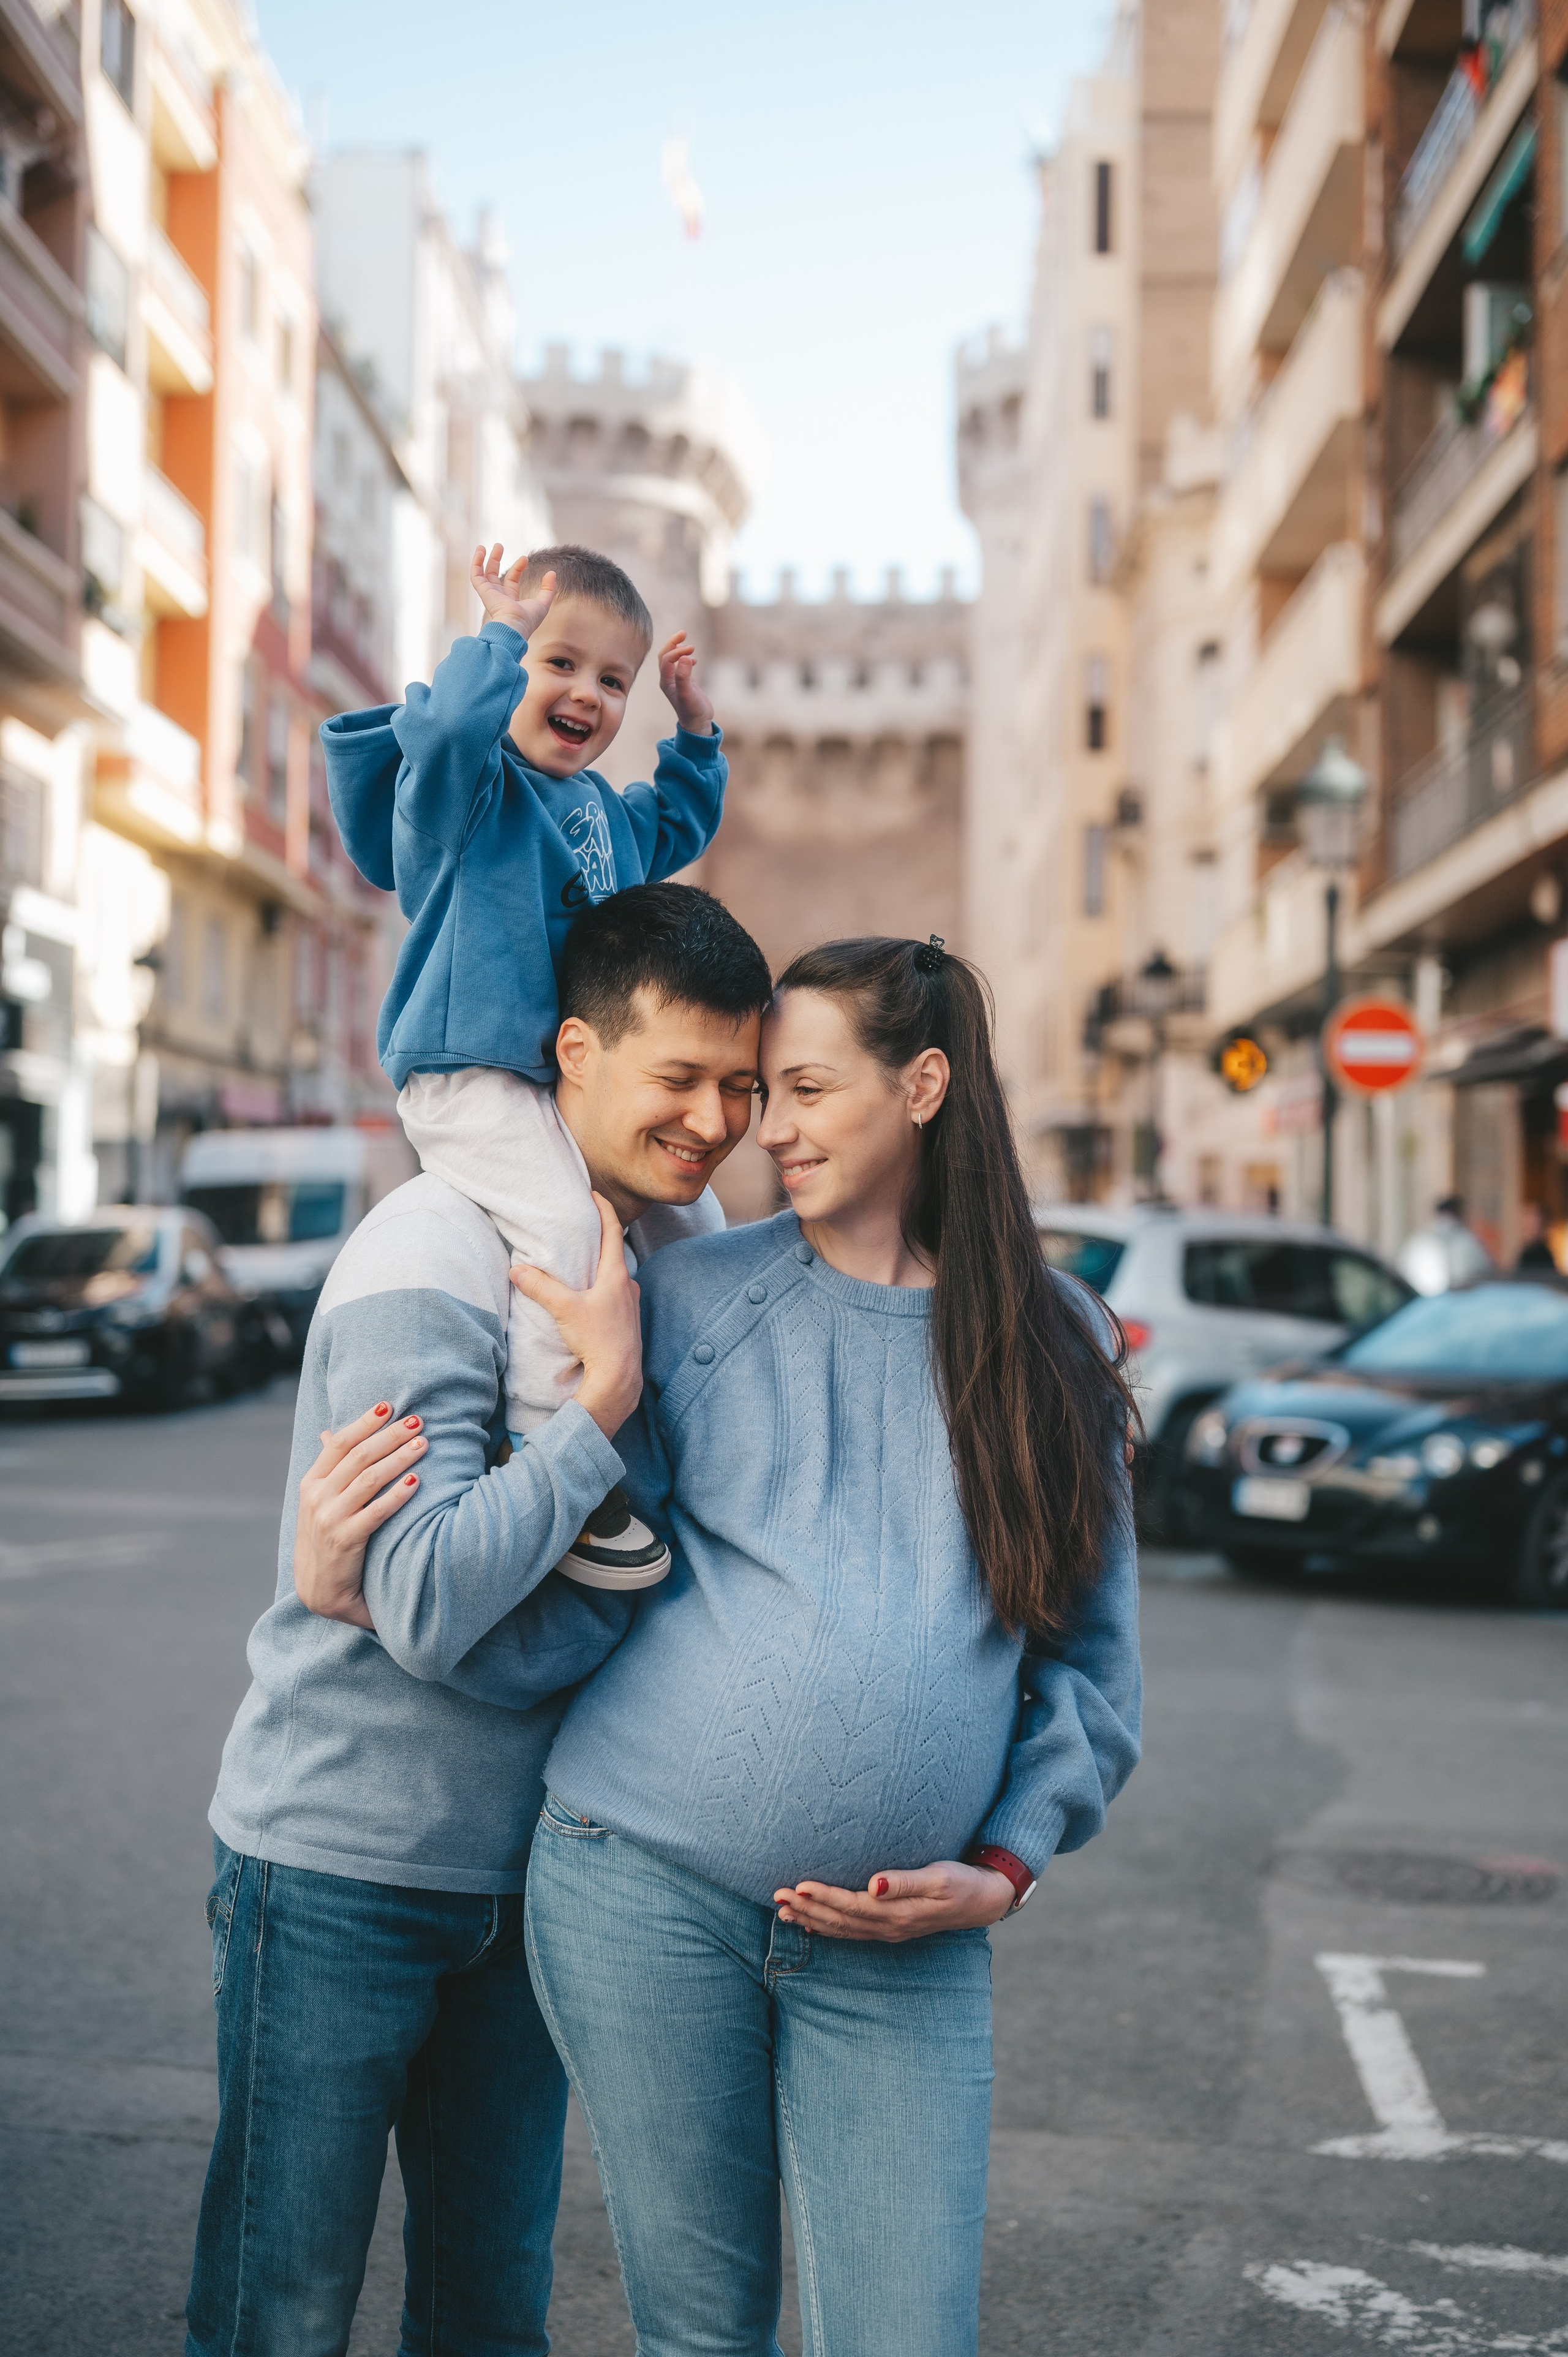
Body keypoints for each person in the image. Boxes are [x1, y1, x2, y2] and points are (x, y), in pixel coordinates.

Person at [306, 934, 1142, 2356]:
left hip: (905, 1936)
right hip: (642, 1888)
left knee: (904, 2331)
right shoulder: (682, 1301)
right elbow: (577, 1595)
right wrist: (371, 1593)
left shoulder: (1053, 1337)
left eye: (804, 1086)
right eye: (767, 1090)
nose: (770, 1126)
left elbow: (1090, 1658)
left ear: (924, 1083)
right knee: (702, 2330)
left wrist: (1003, 1860)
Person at [184, 885, 771, 2357]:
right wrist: (601, 1415)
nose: (715, 1117)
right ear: (573, 1050)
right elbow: (436, 1599)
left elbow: (660, 1576)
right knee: (280, 2307)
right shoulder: (429, 1247)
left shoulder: (651, 1268)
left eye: (744, 1086)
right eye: (681, 1076)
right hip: (336, 1864)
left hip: (533, 1885)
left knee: (489, 2311)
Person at [324, 538, 729, 1578]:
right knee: (561, 1236)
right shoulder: (466, 787)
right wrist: (500, 633)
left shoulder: (598, 814)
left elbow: (679, 817)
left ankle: (691, 1419)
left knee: (698, 1221)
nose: (586, 693)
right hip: (468, 1073)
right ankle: (561, 1467)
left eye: (612, 680)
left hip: (562, 1086)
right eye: (561, 663)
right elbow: (452, 721)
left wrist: (692, 726)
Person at [1396, 1192, 1495, 1295]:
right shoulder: (1468, 1240)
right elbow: (1485, 1273)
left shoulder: (1418, 1240)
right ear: (1459, 1214)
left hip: (1420, 1302)